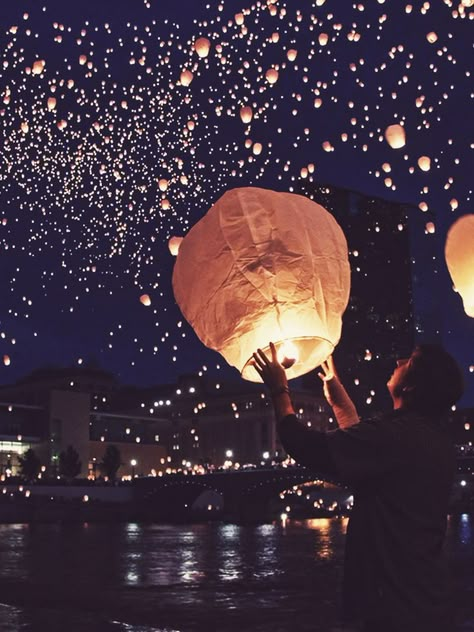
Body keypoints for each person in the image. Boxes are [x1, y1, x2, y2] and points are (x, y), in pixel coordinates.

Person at [252, 343, 464, 632]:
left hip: (392, 608)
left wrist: (279, 389)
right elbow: (371, 463)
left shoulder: (395, 435)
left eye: (410, 362)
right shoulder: (432, 439)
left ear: (412, 387)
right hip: (426, 600)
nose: (400, 358)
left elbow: (304, 445)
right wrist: (341, 405)